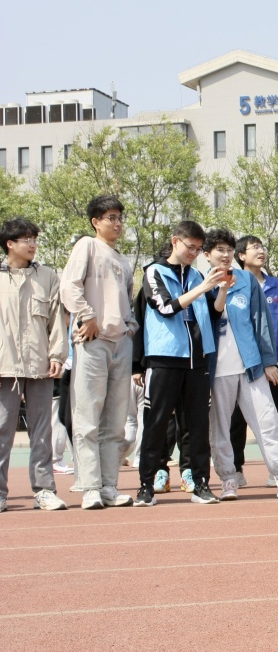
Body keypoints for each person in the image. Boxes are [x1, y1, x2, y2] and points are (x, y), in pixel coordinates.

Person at [204, 228, 278, 501]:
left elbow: (262, 321)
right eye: (220, 250)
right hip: (217, 370)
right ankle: (228, 480)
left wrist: (268, 361)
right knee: (221, 429)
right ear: (207, 255)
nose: (226, 255)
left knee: (268, 421)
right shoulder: (200, 282)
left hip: (250, 366)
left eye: (229, 250)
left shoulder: (246, 280)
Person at [132, 221, 226, 506]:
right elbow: (165, 307)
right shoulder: (154, 272)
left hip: (198, 360)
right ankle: (146, 486)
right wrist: (204, 287)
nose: (194, 253)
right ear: (175, 242)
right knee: (156, 423)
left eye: (198, 249)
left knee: (197, 426)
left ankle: (201, 484)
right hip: (164, 358)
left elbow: (213, 313)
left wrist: (221, 289)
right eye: (190, 247)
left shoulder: (197, 275)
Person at [59, 195, 137, 509]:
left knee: (115, 422)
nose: (117, 223)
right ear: (96, 222)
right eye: (111, 218)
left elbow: (128, 299)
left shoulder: (123, 260)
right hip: (93, 341)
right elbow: (69, 286)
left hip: (121, 343)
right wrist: (87, 316)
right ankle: (89, 486)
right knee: (87, 417)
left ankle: (108, 486)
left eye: (120, 217)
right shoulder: (87, 247)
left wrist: (129, 327)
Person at [0, 218, 68, 512]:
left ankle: (44, 490)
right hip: (4, 368)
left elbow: (57, 321)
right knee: (2, 430)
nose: (32, 244)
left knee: (42, 432)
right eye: (26, 239)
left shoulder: (48, 276)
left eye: (34, 239)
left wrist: (57, 356)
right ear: (9, 244)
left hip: (41, 365)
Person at [230, 235, 278, 487]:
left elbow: (275, 323)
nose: (261, 251)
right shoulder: (233, 281)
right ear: (241, 255)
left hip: (272, 359)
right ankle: (235, 468)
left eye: (262, 247)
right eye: (254, 247)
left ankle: (277, 471)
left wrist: (272, 358)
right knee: (237, 420)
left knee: (274, 416)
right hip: (240, 360)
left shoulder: (275, 284)